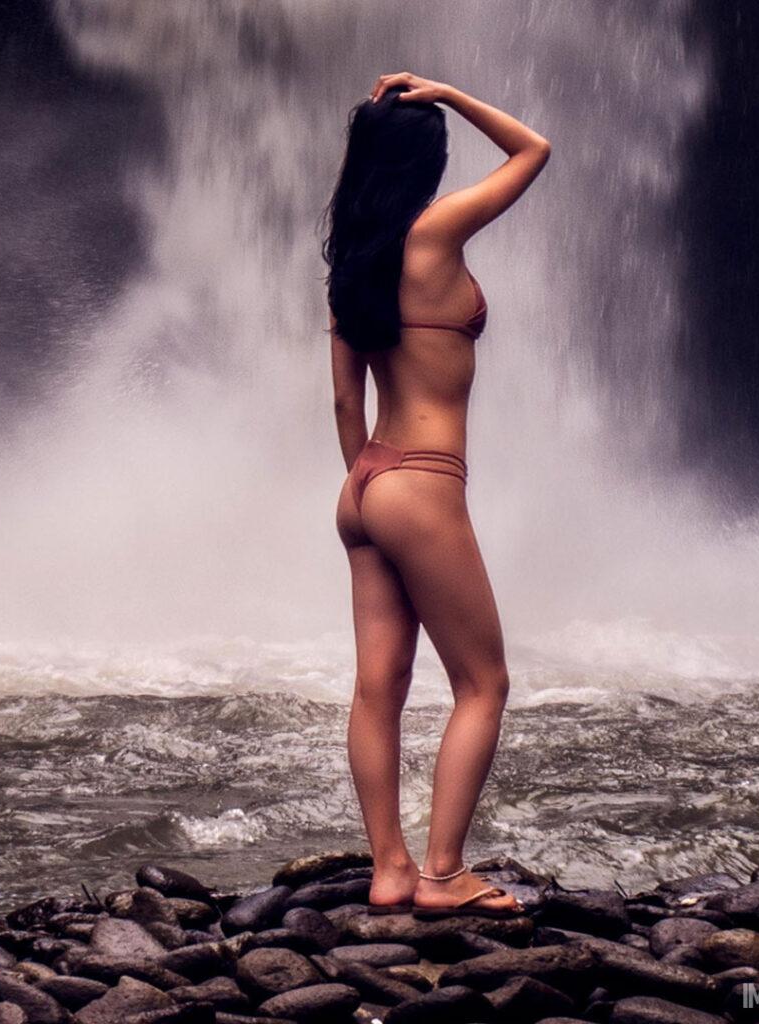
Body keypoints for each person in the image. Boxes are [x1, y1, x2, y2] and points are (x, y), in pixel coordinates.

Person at [320, 71, 550, 917]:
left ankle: (390, 868)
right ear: (429, 162)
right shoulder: (436, 231)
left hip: (368, 483)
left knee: (377, 689)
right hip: (423, 482)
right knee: (483, 683)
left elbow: (347, 400)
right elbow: (534, 149)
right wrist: (451, 95)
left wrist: (365, 481)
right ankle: (445, 875)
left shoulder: (354, 260)